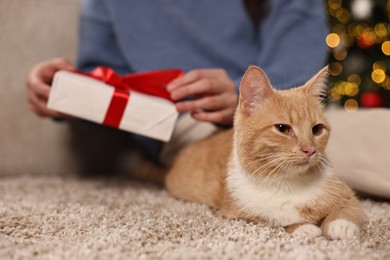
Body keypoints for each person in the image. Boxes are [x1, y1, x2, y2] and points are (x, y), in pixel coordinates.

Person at [26, 0, 328, 172]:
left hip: (289, 112)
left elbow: (300, 66)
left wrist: (245, 97)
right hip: (188, 125)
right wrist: (65, 92)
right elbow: (110, 86)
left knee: (324, 147)